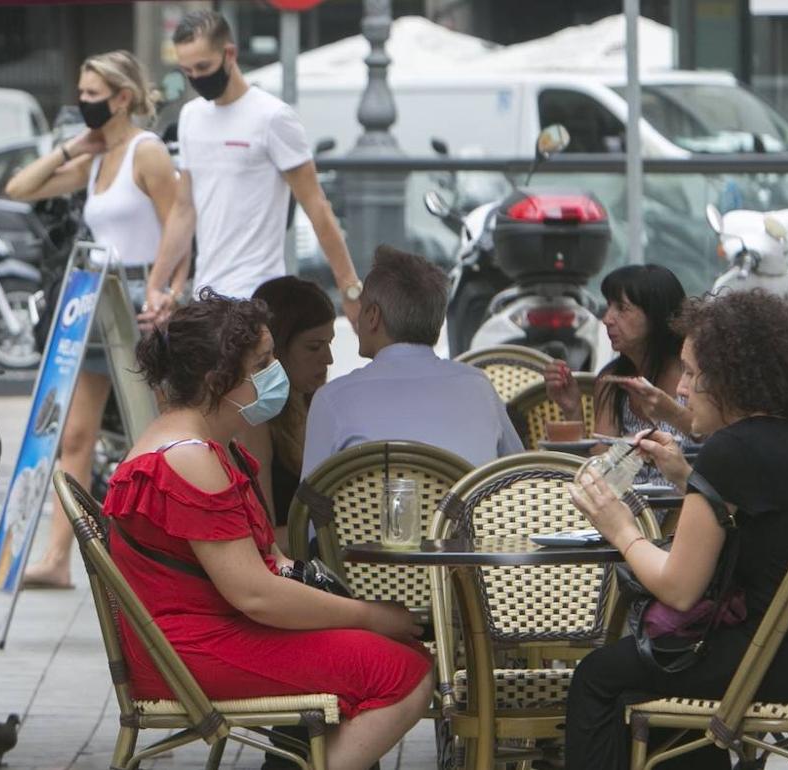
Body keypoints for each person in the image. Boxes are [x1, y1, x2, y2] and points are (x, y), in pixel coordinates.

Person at [105, 291, 432, 770]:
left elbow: (264, 572)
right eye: (262, 362)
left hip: (193, 641)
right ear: (220, 379)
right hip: (194, 652)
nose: (274, 372)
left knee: (393, 656)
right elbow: (256, 594)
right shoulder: (190, 458)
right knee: (403, 671)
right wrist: (368, 615)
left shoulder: (200, 445)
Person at [562, 290, 788, 770]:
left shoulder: (732, 450)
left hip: (776, 662)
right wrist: (689, 480)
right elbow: (772, 516)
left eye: (691, 373)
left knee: (598, 676)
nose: (682, 389)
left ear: (732, 376)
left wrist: (620, 527)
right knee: (662, 670)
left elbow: (679, 588)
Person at [5, 50, 182, 589]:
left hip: (136, 296)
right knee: (76, 435)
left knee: (150, 432)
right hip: (94, 295)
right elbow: (19, 188)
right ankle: (58, 556)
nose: (82, 103)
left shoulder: (145, 153)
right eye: (80, 94)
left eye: (91, 96)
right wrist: (69, 146)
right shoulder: (99, 157)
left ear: (121, 97)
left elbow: (180, 222)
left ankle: (160, 560)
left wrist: (169, 289)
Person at [139, 10, 364, 329]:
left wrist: (350, 289)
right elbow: (184, 208)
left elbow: (316, 206)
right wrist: (156, 284)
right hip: (207, 298)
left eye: (203, 66)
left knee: (256, 380)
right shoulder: (190, 117)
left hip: (258, 297)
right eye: (187, 70)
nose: (197, 78)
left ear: (229, 53)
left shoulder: (272, 117)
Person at [302, 246, 523, 475]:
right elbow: (518, 478)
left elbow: (309, 506)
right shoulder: (479, 388)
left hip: (374, 512)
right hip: (468, 511)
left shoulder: (332, 400)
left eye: (362, 306)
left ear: (373, 316)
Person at [544, 264, 691, 484]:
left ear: (656, 315)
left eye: (622, 309)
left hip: (686, 506)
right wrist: (572, 409)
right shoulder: (612, 381)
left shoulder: (692, 376)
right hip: (628, 511)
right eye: (609, 306)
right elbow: (600, 471)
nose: (607, 319)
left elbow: (713, 439)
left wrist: (670, 412)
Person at [239, 276, 336, 547]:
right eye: (314, 347)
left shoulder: (317, 406)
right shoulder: (257, 418)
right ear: (277, 348)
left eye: (329, 344)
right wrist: (341, 533)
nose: (328, 359)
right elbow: (263, 539)